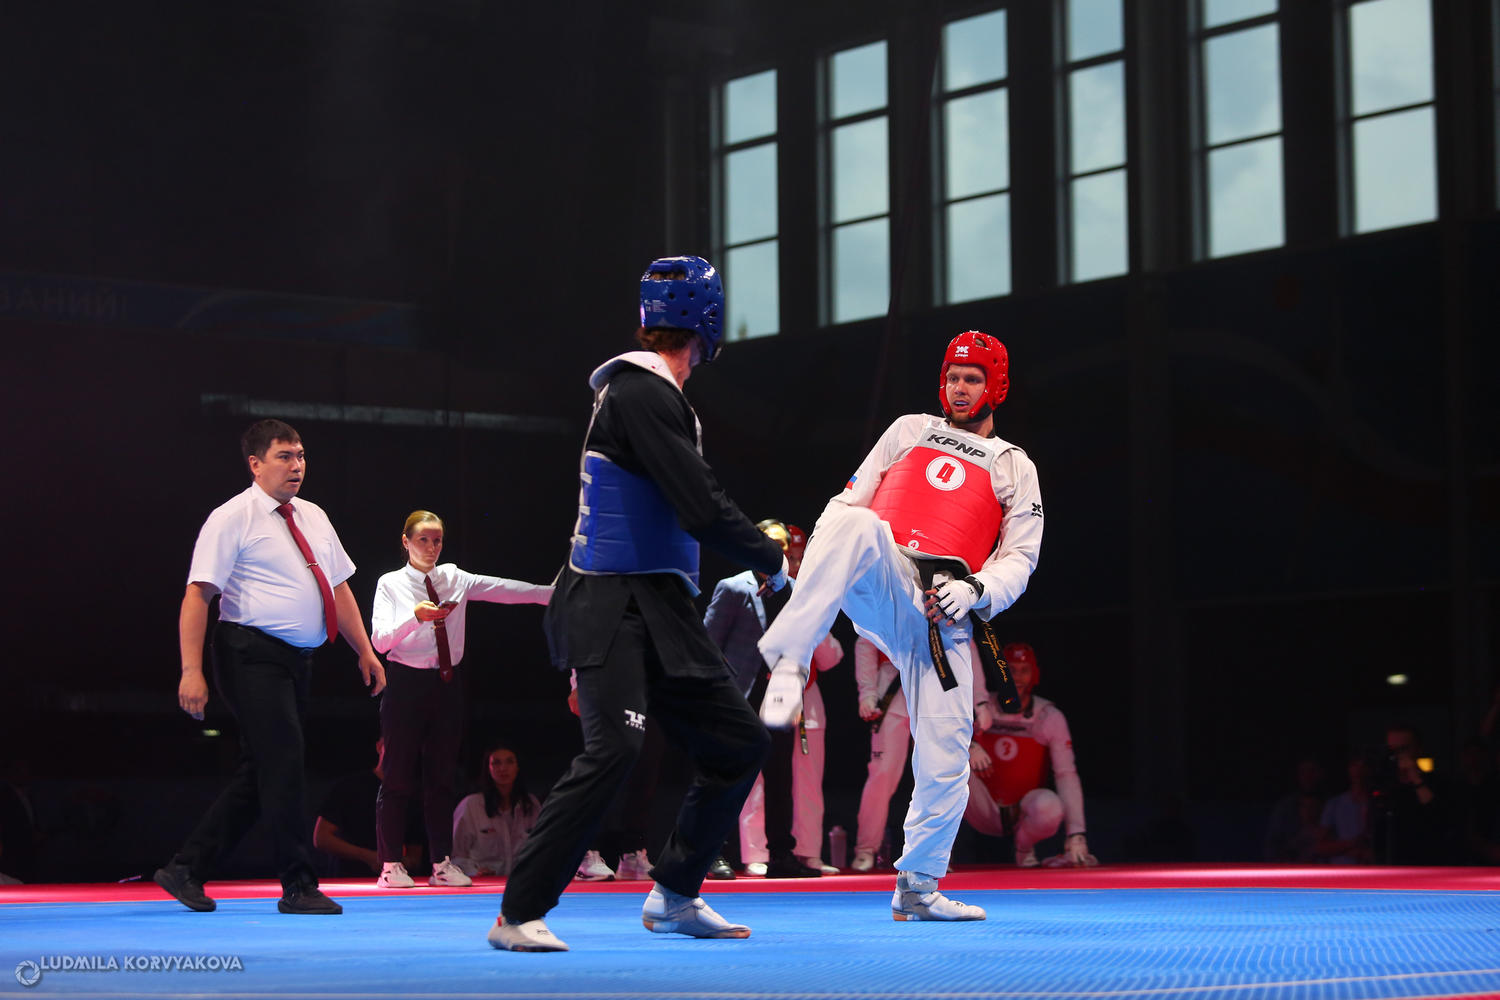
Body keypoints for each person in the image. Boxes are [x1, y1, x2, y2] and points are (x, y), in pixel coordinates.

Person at [488, 255, 785, 952]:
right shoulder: (639, 392)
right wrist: (772, 561)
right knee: (615, 748)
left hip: (662, 604)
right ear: (709, 322)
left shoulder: (651, 393)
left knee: (739, 743)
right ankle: (517, 913)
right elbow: (701, 506)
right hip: (609, 602)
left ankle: (675, 892)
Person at [756, 330, 1043, 921]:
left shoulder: (1014, 465)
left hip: (942, 614)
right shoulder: (908, 430)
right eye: (953, 377)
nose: (959, 388)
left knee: (947, 753)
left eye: (972, 379)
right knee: (855, 522)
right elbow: (846, 505)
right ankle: (789, 660)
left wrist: (976, 590)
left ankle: (917, 885)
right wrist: (819, 576)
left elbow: (1021, 557)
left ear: (996, 387)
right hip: (884, 575)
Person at [155, 419, 385, 915]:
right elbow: (198, 595)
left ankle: (186, 867)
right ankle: (298, 884)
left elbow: (338, 587)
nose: (296, 465)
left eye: (300, 455)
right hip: (248, 654)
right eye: (284, 456)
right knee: (284, 763)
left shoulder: (313, 515)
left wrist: (364, 650)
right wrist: (190, 670)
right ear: (255, 464)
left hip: (295, 661)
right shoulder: (232, 517)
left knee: (263, 770)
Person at [369, 510, 552, 889]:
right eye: (423, 539)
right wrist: (415, 617)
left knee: (441, 777)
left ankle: (441, 862)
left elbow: (503, 589)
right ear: (406, 542)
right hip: (405, 683)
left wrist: (549, 594)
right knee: (398, 776)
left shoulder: (454, 577)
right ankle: (390, 865)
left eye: (437, 540)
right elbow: (380, 641)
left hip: (446, 683)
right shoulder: (390, 583)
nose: (431, 547)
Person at [704, 519, 842, 878]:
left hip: (780, 694)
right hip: (740, 695)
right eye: (770, 544)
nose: (777, 552)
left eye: (782, 546)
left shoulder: (796, 590)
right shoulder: (734, 587)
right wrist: (720, 694)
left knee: (781, 776)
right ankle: (715, 852)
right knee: (729, 774)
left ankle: (782, 854)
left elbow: (803, 644)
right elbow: (709, 643)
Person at [966, 642, 1096, 868]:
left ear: (1034, 675)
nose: (1016, 678)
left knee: (1049, 806)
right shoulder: (980, 708)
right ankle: (937, 854)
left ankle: (1024, 849)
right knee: (948, 767)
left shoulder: (1048, 716)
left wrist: (1076, 834)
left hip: (1021, 812)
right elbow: (938, 738)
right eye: (1010, 670)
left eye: (1024, 670)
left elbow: (1066, 775)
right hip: (979, 806)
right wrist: (968, 746)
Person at [313, 738, 424, 877]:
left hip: (394, 880)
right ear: (379, 746)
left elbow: (415, 857)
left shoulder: (411, 796)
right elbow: (321, 838)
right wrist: (368, 856)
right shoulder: (350, 786)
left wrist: (399, 862)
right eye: (392, 745)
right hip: (348, 878)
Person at [850, 636, 910, 871]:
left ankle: (936, 852)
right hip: (892, 688)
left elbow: (965, 642)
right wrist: (867, 692)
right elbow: (866, 639)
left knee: (937, 775)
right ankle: (866, 848)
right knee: (882, 775)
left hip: (935, 686)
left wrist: (979, 701)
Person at [452, 745, 542, 877]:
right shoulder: (471, 806)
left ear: (517, 767)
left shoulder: (531, 805)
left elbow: (541, 849)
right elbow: (458, 856)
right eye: (496, 762)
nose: (503, 768)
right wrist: (475, 872)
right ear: (488, 768)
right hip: (483, 883)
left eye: (509, 762)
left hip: (522, 882)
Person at [1314, 751, 1372, 864]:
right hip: (1343, 868)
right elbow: (1320, 846)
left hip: (1372, 869)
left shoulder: (1377, 804)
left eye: (1363, 766)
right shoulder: (1335, 804)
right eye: (1355, 765)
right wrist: (1351, 845)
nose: (1358, 771)